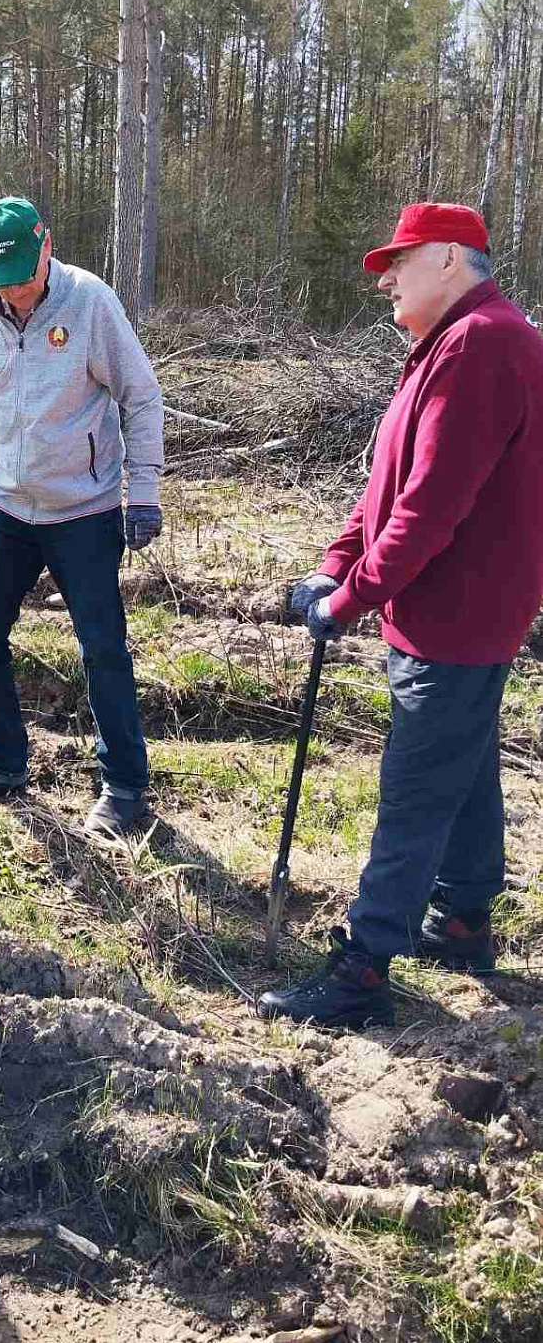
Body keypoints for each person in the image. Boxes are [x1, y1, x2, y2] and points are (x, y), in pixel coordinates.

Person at [261, 202, 543, 1030]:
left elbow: (430, 509)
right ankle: (461, 919)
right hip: (456, 611)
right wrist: (333, 563)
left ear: (451, 261)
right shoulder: (447, 348)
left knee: (415, 788)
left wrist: (348, 602)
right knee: (465, 756)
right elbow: (386, 486)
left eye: (402, 260)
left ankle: (363, 968)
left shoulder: (483, 347)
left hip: (457, 613)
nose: (385, 277)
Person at [0, 196, 165, 835]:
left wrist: (142, 492)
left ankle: (124, 788)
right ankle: (3, 762)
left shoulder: (90, 302)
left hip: (84, 511)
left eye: (23, 276)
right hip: (9, 506)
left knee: (102, 649)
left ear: (46, 247)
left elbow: (140, 397)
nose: (14, 292)